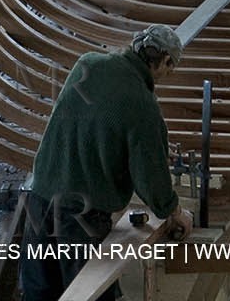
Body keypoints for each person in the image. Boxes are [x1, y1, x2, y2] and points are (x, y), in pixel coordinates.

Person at [19, 25, 194, 301]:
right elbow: (152, 180)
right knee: (90, 295)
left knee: (38, 293)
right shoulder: (143, 105)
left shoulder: (86, 63)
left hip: (38, 199)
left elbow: (89, 122)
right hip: (80, 217)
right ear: (165, 61)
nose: (168, 75)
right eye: (171, 68)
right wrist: (173, 211)